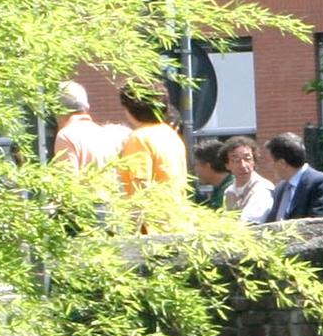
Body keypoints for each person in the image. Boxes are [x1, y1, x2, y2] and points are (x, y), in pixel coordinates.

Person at [112, 90, 191, 228]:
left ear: (128, 108)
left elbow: (141, 187)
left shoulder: (140, 138)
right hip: (177, 222)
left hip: (153, 229)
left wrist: (134, 231)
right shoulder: (170, 135)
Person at [192, 134, 274, 222]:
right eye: (236, 160)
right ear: (227, 165)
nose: (243, 165)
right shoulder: (229, 191)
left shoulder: (262, 189)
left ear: (254, 161)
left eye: (248, 158)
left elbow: (249, 224)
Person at [261, 132, 323, 221]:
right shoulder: (281, 188)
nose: (268, 166)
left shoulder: (320, 183)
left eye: (269, 161)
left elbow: (320, 223)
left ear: (282, 163)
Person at [51, 80, 126, 169]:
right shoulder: (106, 136)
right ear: (86, 108)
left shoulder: (66, 137)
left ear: (57, 110)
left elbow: (67, 179)